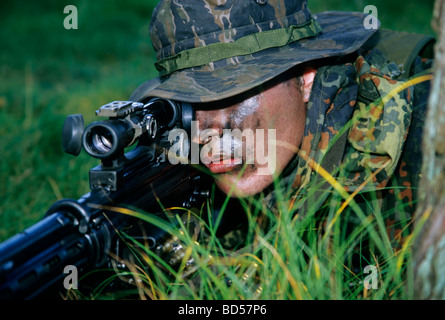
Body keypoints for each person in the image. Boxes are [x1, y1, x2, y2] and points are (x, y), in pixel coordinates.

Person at [130, 0, 434, 252]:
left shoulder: (420, 143)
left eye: (235, 92)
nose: (209, 130)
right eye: (188, 101)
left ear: (305, 76)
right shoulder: (191, 163)